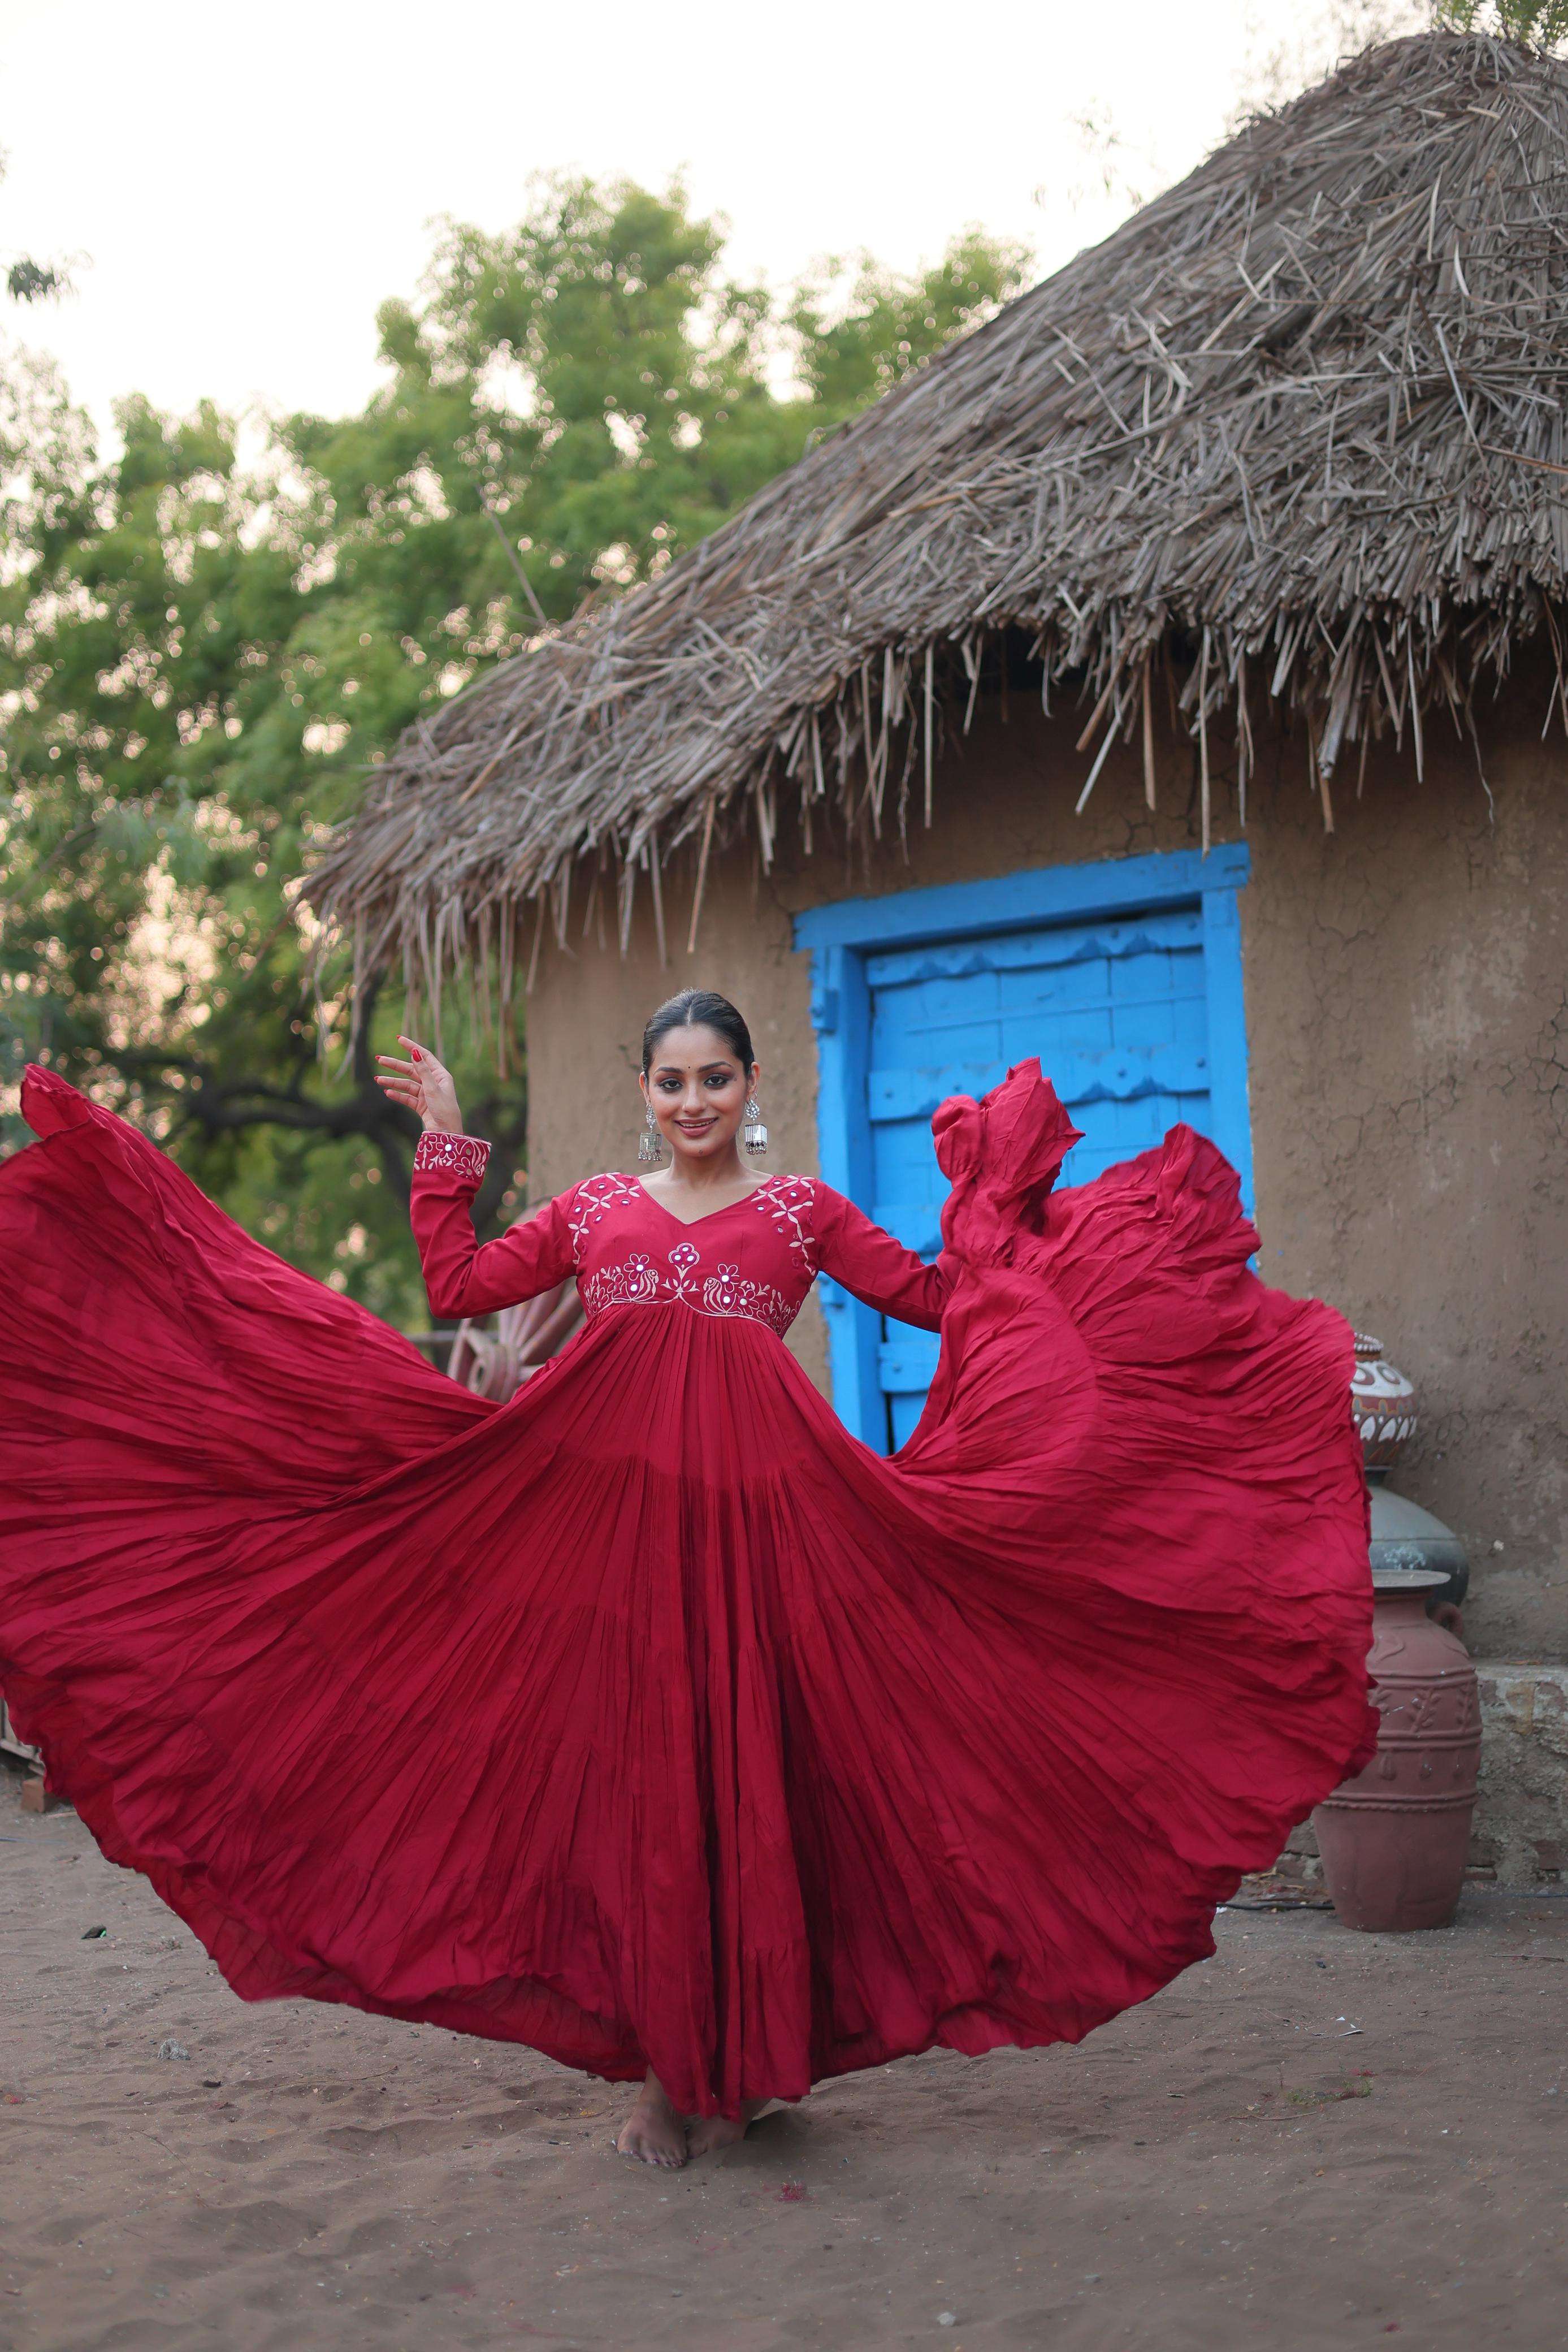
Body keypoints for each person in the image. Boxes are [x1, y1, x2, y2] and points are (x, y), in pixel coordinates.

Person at [0, 988, 1374, 2170]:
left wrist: (1009, 1237)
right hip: (616, 1539)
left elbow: (933, 1301)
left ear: (749, 1084)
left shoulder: (801, 1211)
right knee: (649, 1785)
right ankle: (671, 2076)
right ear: (643, 1093)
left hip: (778, 1531)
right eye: (671, 1081)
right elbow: (462, 1282)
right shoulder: (596, 1210)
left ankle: (762, 2058)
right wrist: (447, 1140)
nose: (694, 1099)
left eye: (716, 1077)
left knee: (770, 1776)